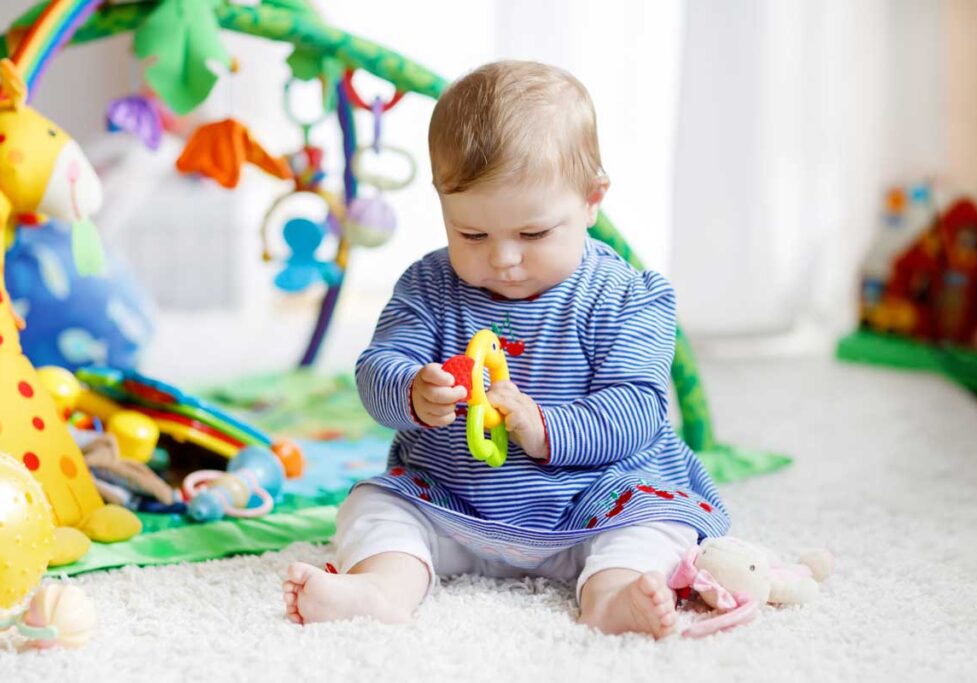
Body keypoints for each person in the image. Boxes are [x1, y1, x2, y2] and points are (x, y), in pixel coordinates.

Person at [284, 60, 729, 639]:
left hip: (597, 501)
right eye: (472, 234)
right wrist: (413, 391)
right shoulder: (428, 286)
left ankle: (613, 594)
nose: (503, 259)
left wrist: (541, 424)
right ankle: (383, 587)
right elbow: (376, 370)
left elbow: (638, 409)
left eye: (534, 234)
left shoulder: (629, 297)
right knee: (374, 502)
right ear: (443, 204)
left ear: (592, 200)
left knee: (659, 521)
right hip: (455, 503)